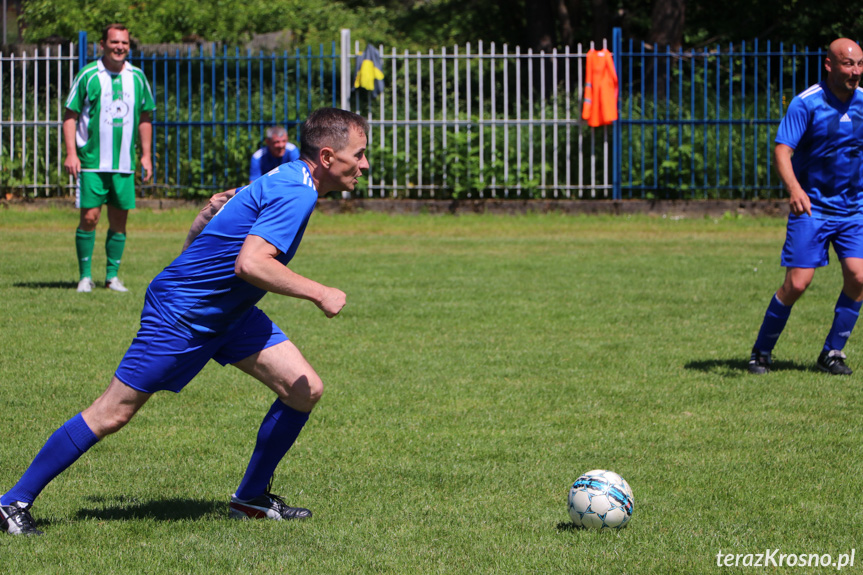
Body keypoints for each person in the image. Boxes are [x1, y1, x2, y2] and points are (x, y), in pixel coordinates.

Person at [1, 107, 370, 536]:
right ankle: (12, 502)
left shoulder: (287, 177)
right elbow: (251, 263)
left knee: (303, 388)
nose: (364, 165)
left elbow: (217, 219)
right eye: (359, 155)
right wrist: (319, 292)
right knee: (113, 411)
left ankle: (250, 499)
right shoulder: (297, 191)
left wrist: (200, 224)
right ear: (327, 157)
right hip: (184, 314)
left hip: (227, 312)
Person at [748, 38, 863, 376]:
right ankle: (761, 352)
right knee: (797, 284)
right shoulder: (806, 103)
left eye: (859, 64)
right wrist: (795, 189)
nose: (855, 72)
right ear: (829, 65)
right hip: (812, 208)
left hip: (853, 209)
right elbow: (783, 150)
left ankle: (832, 352)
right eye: (847, 64)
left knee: (859, 277)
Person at [64, 23, 156, 293]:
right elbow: (70, 114)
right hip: (92, 161)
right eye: (114, 42)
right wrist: (71, 153)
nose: (119, 47)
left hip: (124, 165)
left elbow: (145, 117)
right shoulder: (88, 75)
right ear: (102, 44)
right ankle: (85, 276)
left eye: (124, 43)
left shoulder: (137, 77)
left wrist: (147, 156)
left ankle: (112, 277)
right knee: (90, 217)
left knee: (119, 221)